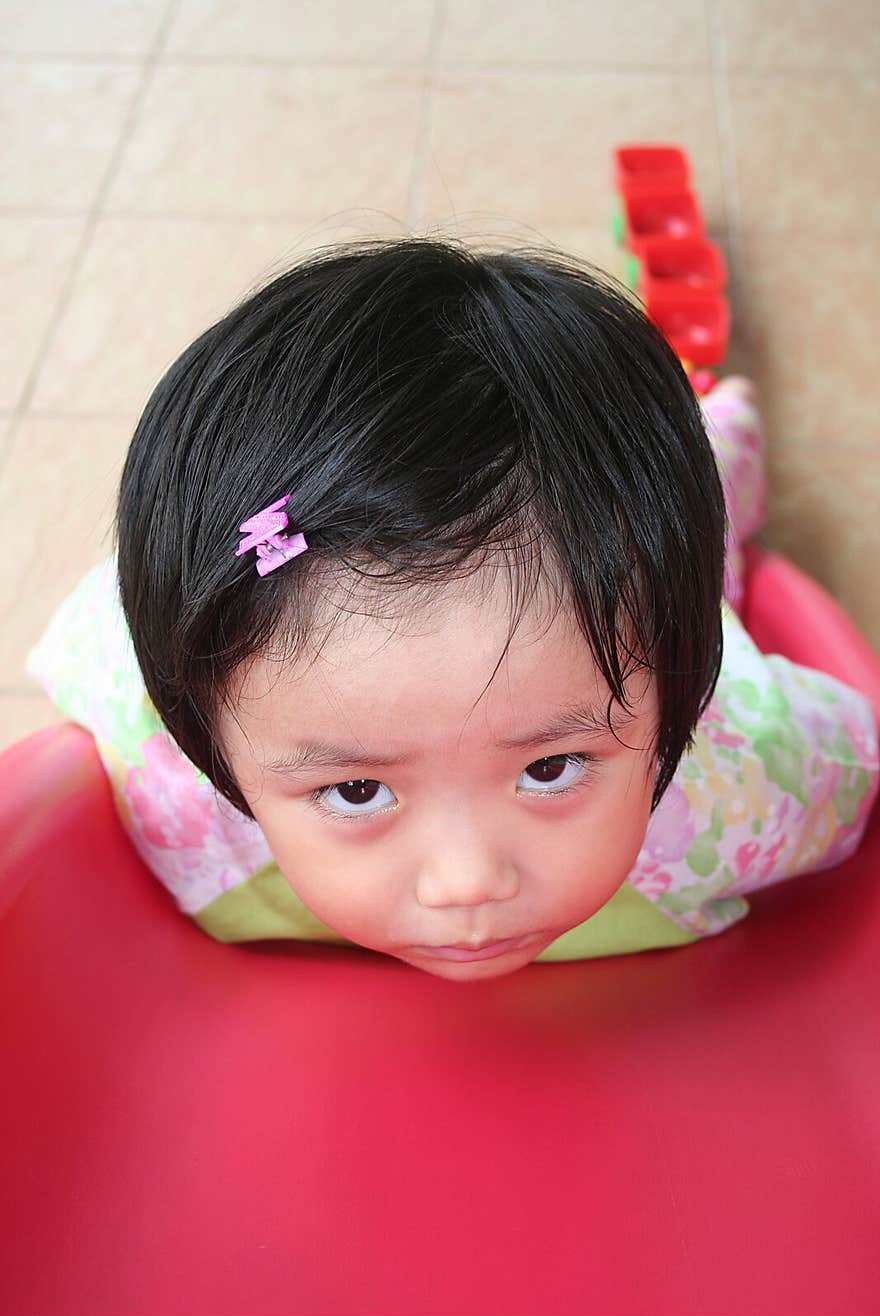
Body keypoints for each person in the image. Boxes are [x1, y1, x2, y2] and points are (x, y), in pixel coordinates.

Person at [27, 238, 879, 980]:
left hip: (666, 594)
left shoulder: (740, 791)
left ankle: (723, 439)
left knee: (700, 503)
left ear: (680, 708)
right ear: (201, 735)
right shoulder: (161, 767)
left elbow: (855, 755)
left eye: (551, 768)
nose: (467, 883)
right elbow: (92, 627)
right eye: (356, 790)